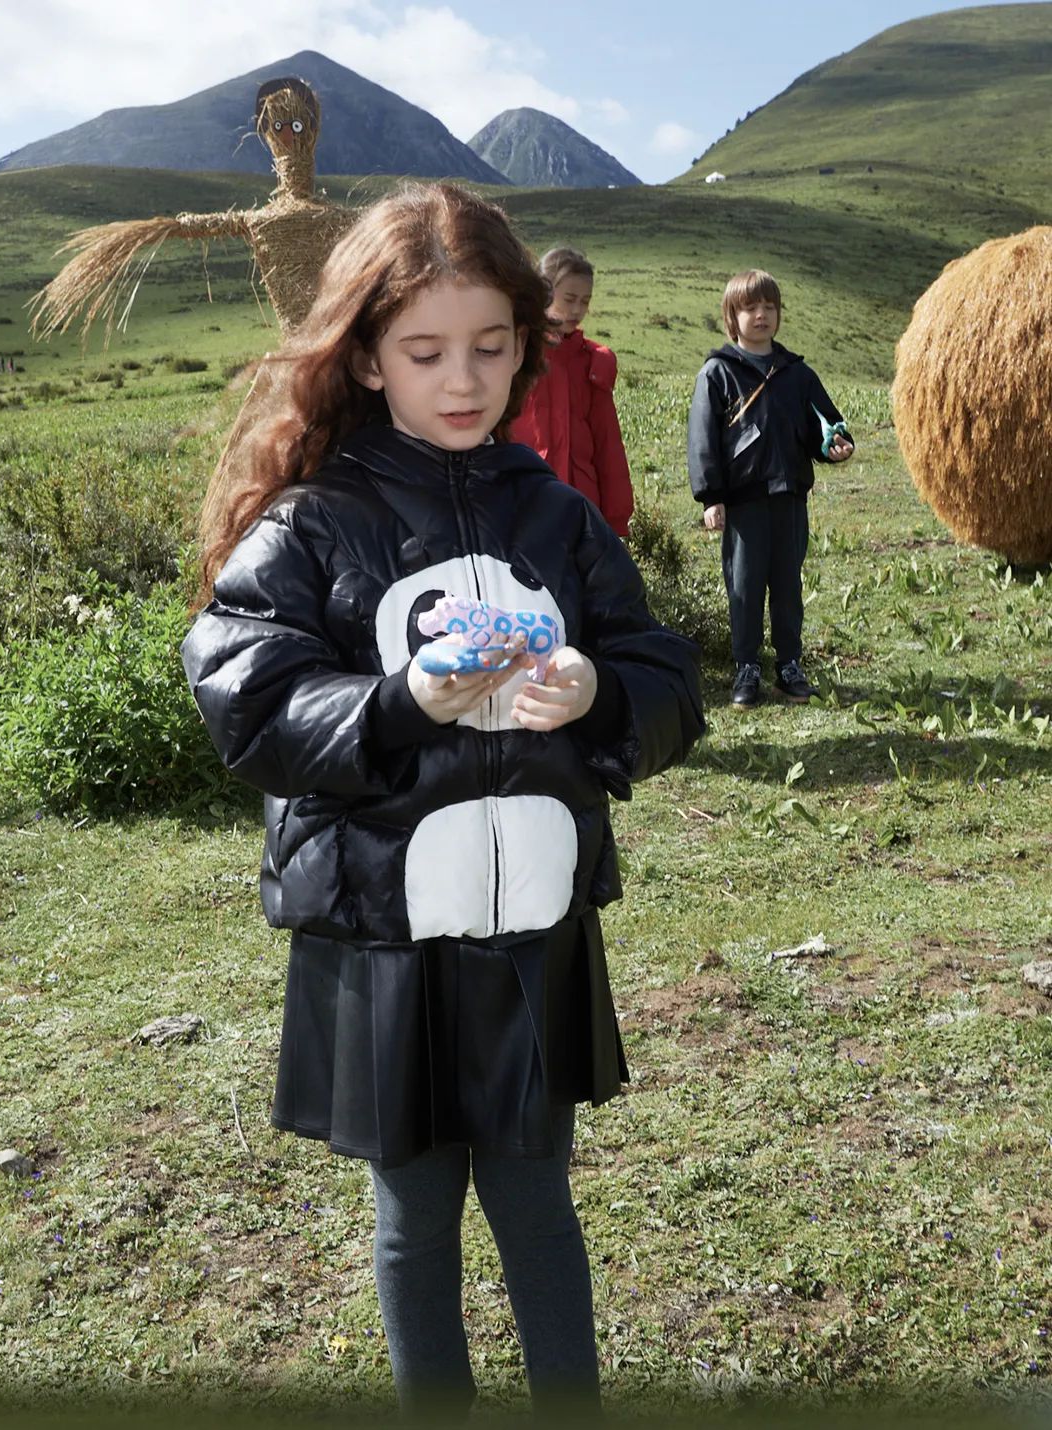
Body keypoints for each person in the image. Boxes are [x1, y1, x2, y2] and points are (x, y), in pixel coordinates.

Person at [181, 183, 703, 1417]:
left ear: (527, 342)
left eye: (490, 346)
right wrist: (402, 702)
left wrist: (597, 690)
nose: (461, 379)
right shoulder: (314, 520)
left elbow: (665, 672)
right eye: (424, 351)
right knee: (415, 1217)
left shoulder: (555, 515)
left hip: (535, 929)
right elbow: (246, 702)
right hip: (384, 941)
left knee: (537, 1202)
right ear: (365, 354)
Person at [687, 269, 854, 708]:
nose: (761, 315)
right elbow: (703, 439)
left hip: (790, 498)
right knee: (743, 587)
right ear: (732, 315)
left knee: (787, 585)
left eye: (769, 307)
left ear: (779, 313)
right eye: (750, 307)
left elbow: (826, 425)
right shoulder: (717, 373)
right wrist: (711, 497)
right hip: (741, 503)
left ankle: (789, 666)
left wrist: (836, 446)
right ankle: (746, 668)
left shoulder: (798, 374)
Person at [510, 247, 635, 537]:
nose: (577, 310)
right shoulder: (514, 354)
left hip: (581, 506)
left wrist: (616, 519)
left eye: (585, 301)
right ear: (542, 291)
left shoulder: (594, 364)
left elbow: (608, 445)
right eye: (569, 299)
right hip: (522, 500)